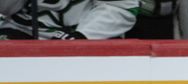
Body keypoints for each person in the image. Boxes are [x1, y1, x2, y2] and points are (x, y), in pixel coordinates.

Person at [0, 0, 138, 39]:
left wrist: (83, 36)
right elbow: (7, 8)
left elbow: (121, 7)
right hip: (23, 29)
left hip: (87, 37)